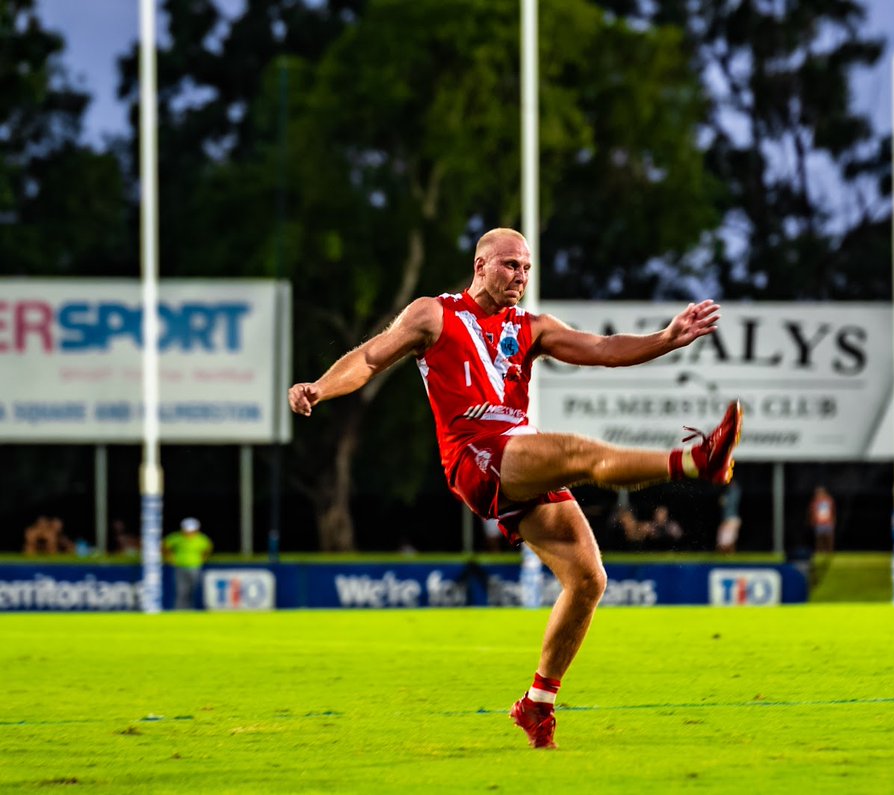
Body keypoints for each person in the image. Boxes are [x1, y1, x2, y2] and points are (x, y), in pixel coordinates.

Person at [288, 227, 743, 750]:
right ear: (480, 266)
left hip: (517, 457)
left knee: (589, 579)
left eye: (526, 268)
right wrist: (319, 387)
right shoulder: (433, 314)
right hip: (475, 456)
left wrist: (666, 338)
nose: (520, 276)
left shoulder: (533, 327)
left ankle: (537, 705)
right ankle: (695, 462)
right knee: (577, 454)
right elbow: (369, 358)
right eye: (509, 265)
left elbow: (604, 349)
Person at [162, 517, 213, 610]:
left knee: (194, 589)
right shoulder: (176, 537)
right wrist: (169, 558)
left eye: (191, 530)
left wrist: (203, 559)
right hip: (179, 566)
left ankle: (193, 609)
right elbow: (165, 545)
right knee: (181, 590)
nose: (189, 532)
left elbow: (208, 548)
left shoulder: (201, 539)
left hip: (195, 566)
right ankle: (180, 610)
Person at [715, 478, 743, 554]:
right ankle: (725, 557)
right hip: (728, 519)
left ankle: (730, 557)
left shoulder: (734, 491)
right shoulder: (728, 492)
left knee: (728, 542)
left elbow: (735, 490)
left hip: (732, 519)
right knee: (722, 542)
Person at [808, 485, 836, 554]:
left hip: (828, 522)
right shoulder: (815, 502)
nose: (819, 494)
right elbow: (812, 511)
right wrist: (812, 520)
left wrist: (833, 520)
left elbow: (833, 510)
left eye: (820, 492)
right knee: (819, 538)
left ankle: (829, 552)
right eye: (817, 492)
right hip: (819, 523)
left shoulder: (829, 500)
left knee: (829, 538)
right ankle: (820, 552)